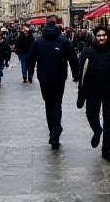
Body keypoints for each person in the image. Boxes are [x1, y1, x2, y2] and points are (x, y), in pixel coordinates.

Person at [27, 18, 79, 149]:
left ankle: (52, 131)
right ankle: (55, 134)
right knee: (56, 104)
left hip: (44, 77)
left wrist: (30, 74)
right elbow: (73, 58)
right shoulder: (63, 40)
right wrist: (76, 75)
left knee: (48, 104)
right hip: (59, 77)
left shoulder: (38, 40)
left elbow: (30, 58)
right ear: (56, 26)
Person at [79, 25, 110, 162]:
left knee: (109, 120)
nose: (102, 38)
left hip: (109, 89)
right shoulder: (88, 51)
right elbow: (82, 72)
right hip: (92, 89)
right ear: (95, 36)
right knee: (91, 114)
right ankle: (97, 131)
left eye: (104, 35)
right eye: (99, 35)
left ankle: (106, 150)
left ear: (107, 36)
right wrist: (81, 92)